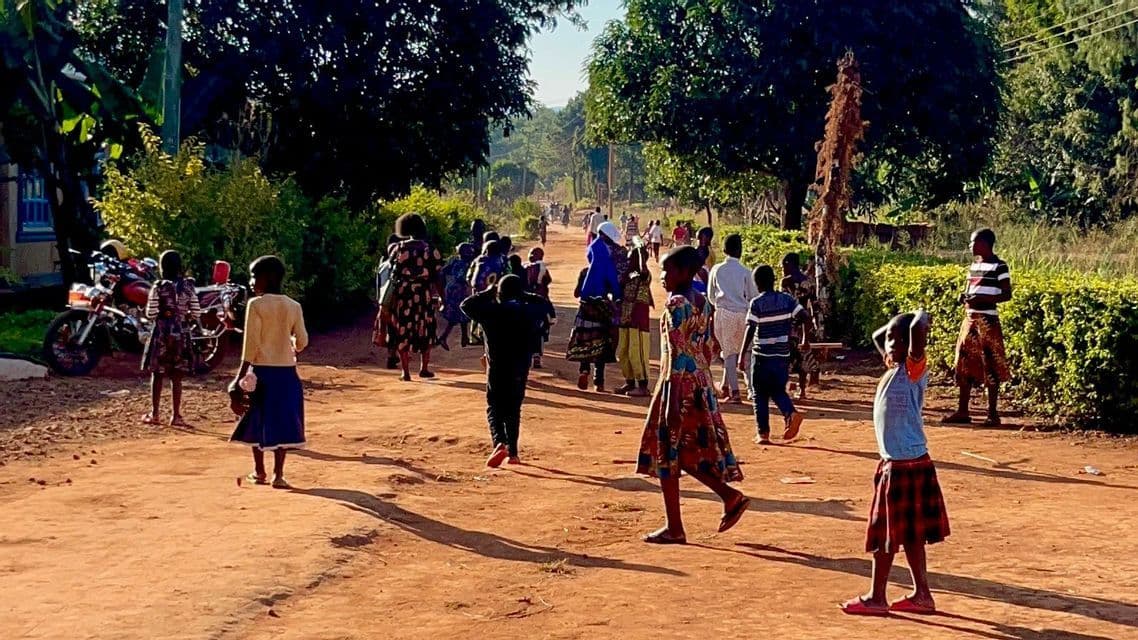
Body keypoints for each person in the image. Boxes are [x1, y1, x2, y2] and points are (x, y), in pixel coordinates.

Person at [635, 246, 748, 545]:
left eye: (667, 270)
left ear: (684, 272)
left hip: (677, 385)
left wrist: (672, 400)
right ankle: (728, 496)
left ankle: (676, 526)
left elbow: (674, 355)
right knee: (685, 452)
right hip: (700, 383)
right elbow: (709, 348)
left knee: (666, 450)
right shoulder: (703, 303)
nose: (662, 276)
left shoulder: (675, 305)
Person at [842, 309, 950, 616]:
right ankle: (922, 595)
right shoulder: (894, 369)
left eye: (896, 340)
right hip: (908, 464)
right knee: (912, 536)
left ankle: (877, 597)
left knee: (884, 537)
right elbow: (879, 336)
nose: (888, 344)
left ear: (911, 345)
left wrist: (920, 315)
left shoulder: (913, 369)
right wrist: (892, 333)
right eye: (889, 340)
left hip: (902, 467)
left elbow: (916, 328)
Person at [228, 256, 308, 489]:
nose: (251, 281)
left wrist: (238, 377)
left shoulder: (256, 305)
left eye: (255, 276)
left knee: (257, 419)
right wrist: (290, 342)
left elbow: (250, 344)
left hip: (261, 372)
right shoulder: (294, 306)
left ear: (268, 277)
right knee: (283, 420)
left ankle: (259, 471)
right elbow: (302, 340)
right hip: (287, 374)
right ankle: (279, 474)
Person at [462, 275, 548, 467]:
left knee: (494, 406)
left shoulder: (491, 311)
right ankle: (514, 453)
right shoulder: (528, 311)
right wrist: (524, 294)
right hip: (520, 366)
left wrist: (490, 291)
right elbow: (543, 304)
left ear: (499, 293)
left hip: (497, 366)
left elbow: (466, 305)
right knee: (513, 408)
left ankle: (499, 442)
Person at [943, 228, 1013, 427]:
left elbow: (1006, 294)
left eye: (973, 242)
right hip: (970, 319)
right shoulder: (974, 266)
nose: (970, 246)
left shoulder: (1000, 266)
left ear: (984, 243)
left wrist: (983, 299)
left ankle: (992, 413)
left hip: (988, 321)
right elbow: (970, 291)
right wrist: (964, 298)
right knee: (963, 363)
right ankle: (963, 410)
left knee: (990, 364)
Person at [742, 265, 809, 445]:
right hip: (781, 355)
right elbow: (804, 316)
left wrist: (742, 355)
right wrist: (804, 338)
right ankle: (790, 413)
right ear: (773, 280)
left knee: (759, 393)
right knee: (777, 389)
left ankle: (763, 433)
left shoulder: (756, 303)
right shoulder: (787, 300)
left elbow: (751, 328)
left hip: (762, 355)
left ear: (757, 284)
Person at [141, 250, 201, 426]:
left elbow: (151, 313)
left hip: (161, 333)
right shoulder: (188, 287)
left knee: (157, 374)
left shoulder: (158, 287)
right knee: (177, 376)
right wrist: (184, 315)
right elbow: (197, 311)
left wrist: (164, 313)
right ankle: (176, 416)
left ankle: (155, 414)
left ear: (161, 267)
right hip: (181, 334)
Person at [384, 214, 444, 381]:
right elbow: (438, 276)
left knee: (402, 328)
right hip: (423, 295)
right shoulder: (430, 249)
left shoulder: (398, 248)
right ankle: (424, 368)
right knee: (426, 329)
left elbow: (390, 271)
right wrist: (443, 298)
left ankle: (405, 372)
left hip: (403, 296)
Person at [567, 221, 623, 392]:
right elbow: (615, 288)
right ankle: (599, 381)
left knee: (585, 339)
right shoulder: (608, 266)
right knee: (603, 341)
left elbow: (577, 293)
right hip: (601, 308)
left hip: (585, 309)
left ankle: (584, 371)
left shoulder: (585, 272)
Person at [708, 234, 758, 404]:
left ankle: (734, 392)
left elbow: (711, 296)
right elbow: (753, 296)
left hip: (724, 312)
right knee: (746, 352)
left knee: (729, 353)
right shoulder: (746, 272)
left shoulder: (716, 269)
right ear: (740, 251)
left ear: (724, 250)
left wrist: (720, 305)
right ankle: (745, 388)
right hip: (743, 313)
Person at [616, 244, 654, 397]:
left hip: (638, 319)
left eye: (632, 258)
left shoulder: (645, 276)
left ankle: (643, 385)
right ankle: (629, 381)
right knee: (624, 352)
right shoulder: (629, 276)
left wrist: (639, 254)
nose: (628, 260)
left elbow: (643, 270)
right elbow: (621, 282)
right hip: (625, 318)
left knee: (637, 352)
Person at [781, 253, 821, 400]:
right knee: (802, 358)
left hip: (789, 324)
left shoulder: (785, 282)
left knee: (786, 357)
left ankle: (786, 389)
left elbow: (783, 304)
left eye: (783, 266)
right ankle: (802, 390)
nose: (782, 269)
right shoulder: (809, 282)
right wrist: (814, 324)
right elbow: (815, 305)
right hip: (804, 324)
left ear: (788, 264)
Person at [437, 242, 477, 350]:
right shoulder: (466, 264)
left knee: (462, 314)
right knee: (457, 315)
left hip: (451, 288)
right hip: (459, 290)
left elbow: (442, 272)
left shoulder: (454, 261)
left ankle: (465, 338)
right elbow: (462, 277)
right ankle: (443, 337)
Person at [524, 248, 555, 368]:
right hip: (540, 303)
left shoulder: (525, 268)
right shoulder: (542, 268)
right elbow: (548, 280)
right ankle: (536, 356)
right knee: (540, 329)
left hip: (527, 304)